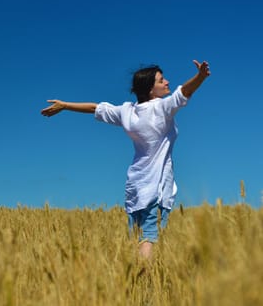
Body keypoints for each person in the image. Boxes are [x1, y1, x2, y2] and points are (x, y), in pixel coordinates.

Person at [41, 60, 211, 259]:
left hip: (135, 186)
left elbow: (95, 108)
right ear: (150, 89)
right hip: (156, 186)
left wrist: (65, 105)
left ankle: (132, 283)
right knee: (150, 238)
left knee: (136, 239)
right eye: (161, 80)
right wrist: (200, 77)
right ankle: (143, 279)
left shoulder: (127, 111)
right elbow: (184, 92)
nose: (167, 82)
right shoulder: (161, 108)